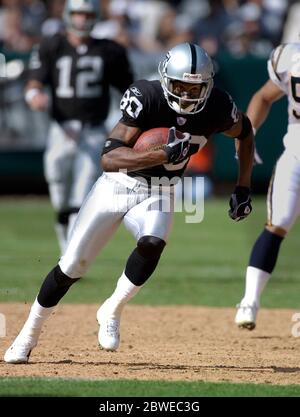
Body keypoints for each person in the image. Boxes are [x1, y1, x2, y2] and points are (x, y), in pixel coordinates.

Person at [4, 42, 254, 363]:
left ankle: (112, 308)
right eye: (180, 86)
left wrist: (243, 186)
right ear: (165, 79)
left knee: (153, 241)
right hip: (118, 184)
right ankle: (28, 334)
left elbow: (245, 133)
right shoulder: (147, 97)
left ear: (208, 86)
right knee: (73, 265)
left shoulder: (218, 106)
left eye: (195, 88)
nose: (187, 95)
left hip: (160, 190)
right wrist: (160, 154)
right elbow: (109, 158)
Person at [24, 0, 133, 253]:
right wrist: (34, 96)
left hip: (94, 129)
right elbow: (34, 81)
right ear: (67, 15)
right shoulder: (52, 45)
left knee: (82, 188)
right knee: (56, 182)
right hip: (61, 128)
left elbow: (130, 89)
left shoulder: (110, 50)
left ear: (94, 16)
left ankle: (70, 252)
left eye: (87, 14)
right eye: (77, 13)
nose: (82, 19)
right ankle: (65, 234)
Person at [235, 41, 300, 330]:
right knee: (278, 221)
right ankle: (249, 300)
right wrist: (249, 133)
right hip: (296, 152)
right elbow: (263, 96)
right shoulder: (290, 57)